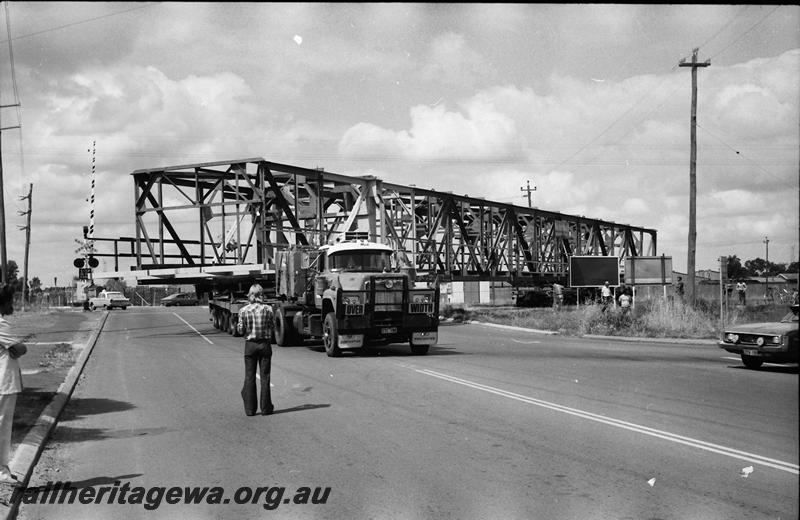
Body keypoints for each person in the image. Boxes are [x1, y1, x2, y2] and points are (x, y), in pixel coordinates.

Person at [0, 284, 26, 485]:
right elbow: (19, 348)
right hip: (3, 381)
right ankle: (1, 471)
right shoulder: (1, 324)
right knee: (2, 426)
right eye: (10, 300)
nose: (12, 304)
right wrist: (21, 346)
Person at [236, 284, 275, 416]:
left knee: (249, 376)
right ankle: (266, 408)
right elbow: (272, 326)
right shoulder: (268, 309)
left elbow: (240, 330)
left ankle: (250, 409)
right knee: (265, 377)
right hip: (264, 345)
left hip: (250, 345)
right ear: (261, 294)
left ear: (250, 295)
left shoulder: (243, 310)